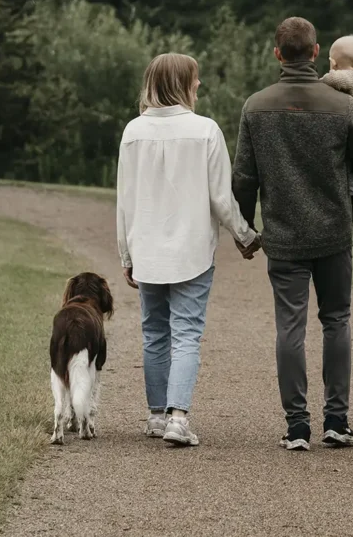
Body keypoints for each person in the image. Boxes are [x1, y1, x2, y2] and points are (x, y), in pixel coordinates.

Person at [232, 17, 353, 451]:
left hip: (283, 236)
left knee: (290, 327)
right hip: (334, 233)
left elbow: (244, 178)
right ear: (316, 53)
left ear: (278, 54)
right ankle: (337, 419)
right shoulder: (341, 105)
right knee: (336, 321)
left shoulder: (255, 106)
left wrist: (247, 229)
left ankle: (297, 425)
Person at [117, 52, 262, 447]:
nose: (199, 86)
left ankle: (156, 415)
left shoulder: (132, 132)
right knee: (186, 334)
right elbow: (221, 197)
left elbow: (124, 200)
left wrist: (125, 253)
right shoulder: (206, 130)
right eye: (195, 79)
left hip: (146, 247)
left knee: (154, 333)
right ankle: (178, 417)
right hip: (192, 250)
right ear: (181, 83)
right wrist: (245, 235)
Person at [320, 34, 353, 220]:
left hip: (347, 127)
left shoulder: (340, 78)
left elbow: (326, 83)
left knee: (343, 167)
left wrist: (318, 82)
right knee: (348, 169)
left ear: (332, 63)